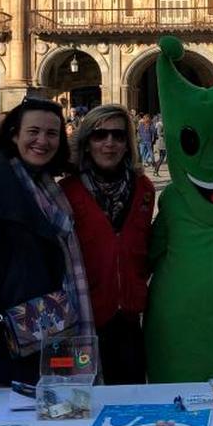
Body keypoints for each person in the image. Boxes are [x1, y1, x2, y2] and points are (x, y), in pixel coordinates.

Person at [0, 98, 90, 396]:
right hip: (6, 342)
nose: (42, 140)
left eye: (52, 133)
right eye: (34, 131)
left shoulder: (42, 184)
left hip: (44, 331)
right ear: (14, 134)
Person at [64, 104, 154, 385]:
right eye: (99, 135)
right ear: (87, 143)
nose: (109, 143)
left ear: (128, 143)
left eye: (118, 135)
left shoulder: (144, 189)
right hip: (83, 318)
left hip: (129, 315)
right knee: (83, 404)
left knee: (132, 400)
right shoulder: (68, 192)